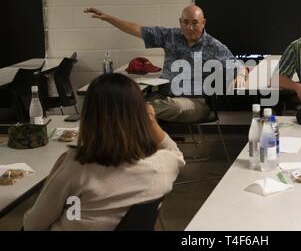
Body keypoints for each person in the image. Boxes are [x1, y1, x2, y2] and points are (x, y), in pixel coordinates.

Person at [23, 73, 185, 230]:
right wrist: (152, 123)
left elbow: (33, 224)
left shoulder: (78, 165)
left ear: (90, 116)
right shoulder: (162, 164)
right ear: (141, 115)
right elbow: (175, 153)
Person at [84, 5, 247, 123]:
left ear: (203, 22)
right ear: (180, 22)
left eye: (195, 23)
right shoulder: (170, 35)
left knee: (167, 107)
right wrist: (108, 18)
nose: (190, 28)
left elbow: (238, 64)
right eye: (186, 22)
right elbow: (137, 29)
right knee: (128, 97)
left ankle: (123, 113)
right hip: (162, 96)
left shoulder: (213, 46)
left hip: (196, 103)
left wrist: (240, 74)